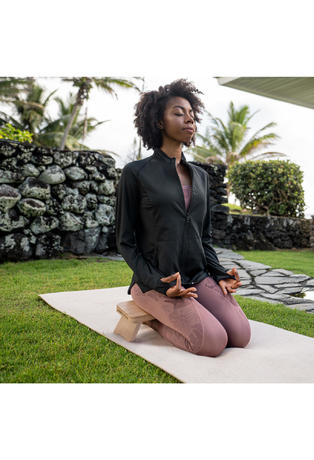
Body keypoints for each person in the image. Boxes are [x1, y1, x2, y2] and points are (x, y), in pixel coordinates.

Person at [115, 78, 251, 357]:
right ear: (158, 122)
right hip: (157, 283)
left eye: (191, 114)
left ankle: (185, 311)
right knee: (213, 341)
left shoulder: (200, 176)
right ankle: (155, 319)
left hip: (197, 276)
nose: (189, 119)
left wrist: (220, 274)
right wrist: (159, 284)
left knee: (240, 335)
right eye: (178, 113)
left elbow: (204, 238)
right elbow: (125, 242)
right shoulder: (136, 173)